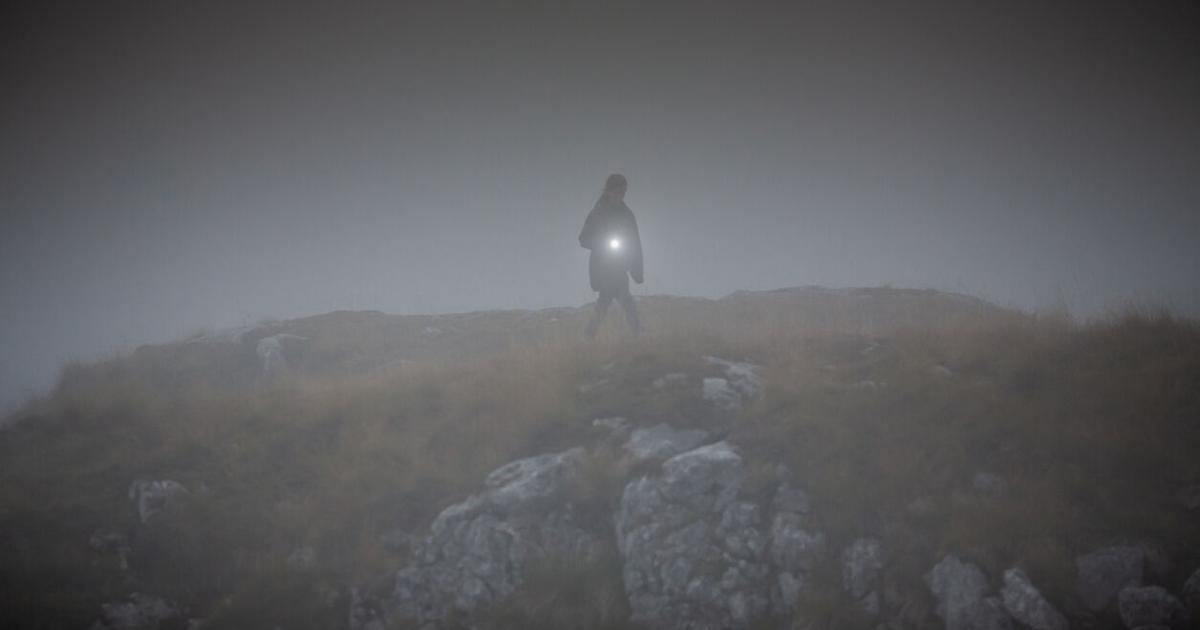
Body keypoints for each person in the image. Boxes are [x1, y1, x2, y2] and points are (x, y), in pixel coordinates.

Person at [579, 173, 643, 338]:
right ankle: (588, 338)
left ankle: (638, 336)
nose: (619, 196)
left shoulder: (627, 214)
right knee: (607, 303)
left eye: (623, 193)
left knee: (625, 303)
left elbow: (635, 242)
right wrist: (601, 243)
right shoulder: (598, 212)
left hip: (620, 267)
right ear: (608, 191)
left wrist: (637, 270)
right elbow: (583, 238)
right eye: (617, 192)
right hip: (602, 268)